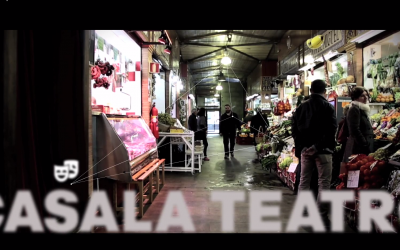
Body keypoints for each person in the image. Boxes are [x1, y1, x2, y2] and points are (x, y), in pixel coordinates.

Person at [292, 79, 337, 230]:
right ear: (325, 91)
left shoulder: (301, 107)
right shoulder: (328, 107)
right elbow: (331, 130)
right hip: (323, 151)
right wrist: (317, 146)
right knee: (324, 183)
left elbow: (295, 130)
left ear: (311, 91)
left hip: (305, 151)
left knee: (304, 181)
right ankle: (321, 216)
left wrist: (304, 147)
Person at [342, 87, 374, 162]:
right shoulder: (354, 109)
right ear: (355, 97)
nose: (365, 98)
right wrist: (364, 143)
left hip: (361, 146)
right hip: (357, 148)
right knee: (356, 170)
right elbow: (354, 130)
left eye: (367, 95)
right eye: (362, 96)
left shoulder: (362, 109)